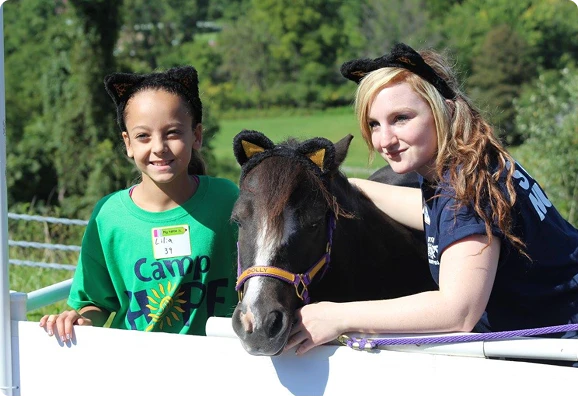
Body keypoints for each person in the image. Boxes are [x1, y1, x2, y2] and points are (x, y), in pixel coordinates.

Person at [285, 43, 578, 356]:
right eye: (374, 124)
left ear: (443, 110)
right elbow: (435, 216)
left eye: (401, 118)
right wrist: (351, 186)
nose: (384, 140)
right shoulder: (472, 158)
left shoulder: (465, 188)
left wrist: (335, 317)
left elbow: (458, 311)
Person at [39, 66, 239, 341]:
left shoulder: (228, 200)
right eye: (143, 136)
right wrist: (79, 319)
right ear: (128, 143)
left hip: (215, 365)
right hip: (133, 368)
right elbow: (95, 302)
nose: (158, 147)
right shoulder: (108, 217)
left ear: (197, 136)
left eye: (173, 133)